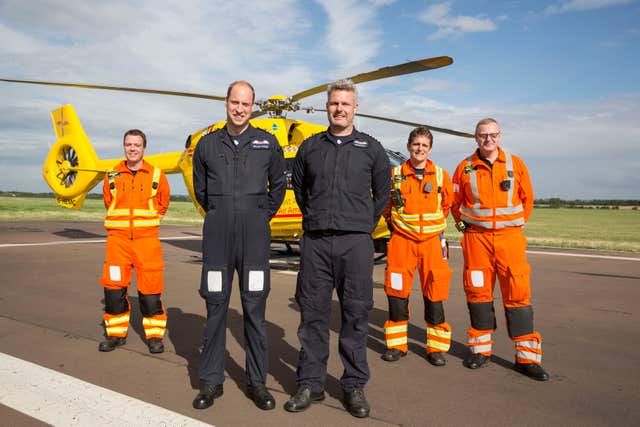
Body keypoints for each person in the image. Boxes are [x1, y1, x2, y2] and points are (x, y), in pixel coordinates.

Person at [285, 79, 391, 418]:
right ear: (327, 107)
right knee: (312, 313)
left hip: (356, 243)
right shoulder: (311, 147)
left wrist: (360, 222)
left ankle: (353, 385)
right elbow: (301, 190)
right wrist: (318, 216)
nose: (339, 109)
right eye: (334, 104)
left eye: (346, 104)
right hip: (316, 242)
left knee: (356, 315)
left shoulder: (371, 148)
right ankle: (310, 384)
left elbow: (383, 194)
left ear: (355, 108)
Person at [191, 80, 287, 410]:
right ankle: (210, 381)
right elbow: (201, 192)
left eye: (246, 103)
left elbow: (278, 188)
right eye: (235, 102)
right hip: (217, 237)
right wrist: (221, 213)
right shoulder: (207, 145)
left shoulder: (268, 143)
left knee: (255, 311)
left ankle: (257, 383)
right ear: (226, 102)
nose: (240, 108)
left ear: (253, 105)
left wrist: (259, 216)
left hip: (255, 239)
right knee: (216, 307)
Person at [452, 117, 549, 381]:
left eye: (492, 135)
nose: (488, 139)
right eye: (483, 135)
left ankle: (526, 359)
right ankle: (480, 352)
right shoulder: (464, 167)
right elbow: (455, 203)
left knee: (518, 295)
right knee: (478, 294)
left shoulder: (516, 164)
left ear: (500, 136)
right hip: (476, 241)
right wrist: (468, 230)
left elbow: (527, 200)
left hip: (510, 240)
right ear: (476, 138)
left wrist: (512, 227)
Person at [380, 126, 453, 366]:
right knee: (397, 293)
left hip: (432, 243)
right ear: (409, 146)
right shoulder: (395, 174)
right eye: (416, 144)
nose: (419, 148)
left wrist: (431, 228)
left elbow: (447, 206)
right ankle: (397, 345)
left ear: (429, 149)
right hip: (402, 242)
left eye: (424, 145)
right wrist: (397, 226)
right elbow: (386, 206)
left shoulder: (442, 176)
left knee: (435, 293)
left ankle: (436, 348)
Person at [98, 129, 170, 355]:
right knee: (113, 290)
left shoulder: (157, 175)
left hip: (146, 243)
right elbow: (108, 202)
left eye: (136, 145)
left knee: (150, 293)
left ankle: (155, 337)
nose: (132, 148)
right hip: (117, 243)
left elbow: (162, 204)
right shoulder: (111, 175)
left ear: (144, 148)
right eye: (128, 144)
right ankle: (115, 335)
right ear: (124, 147)